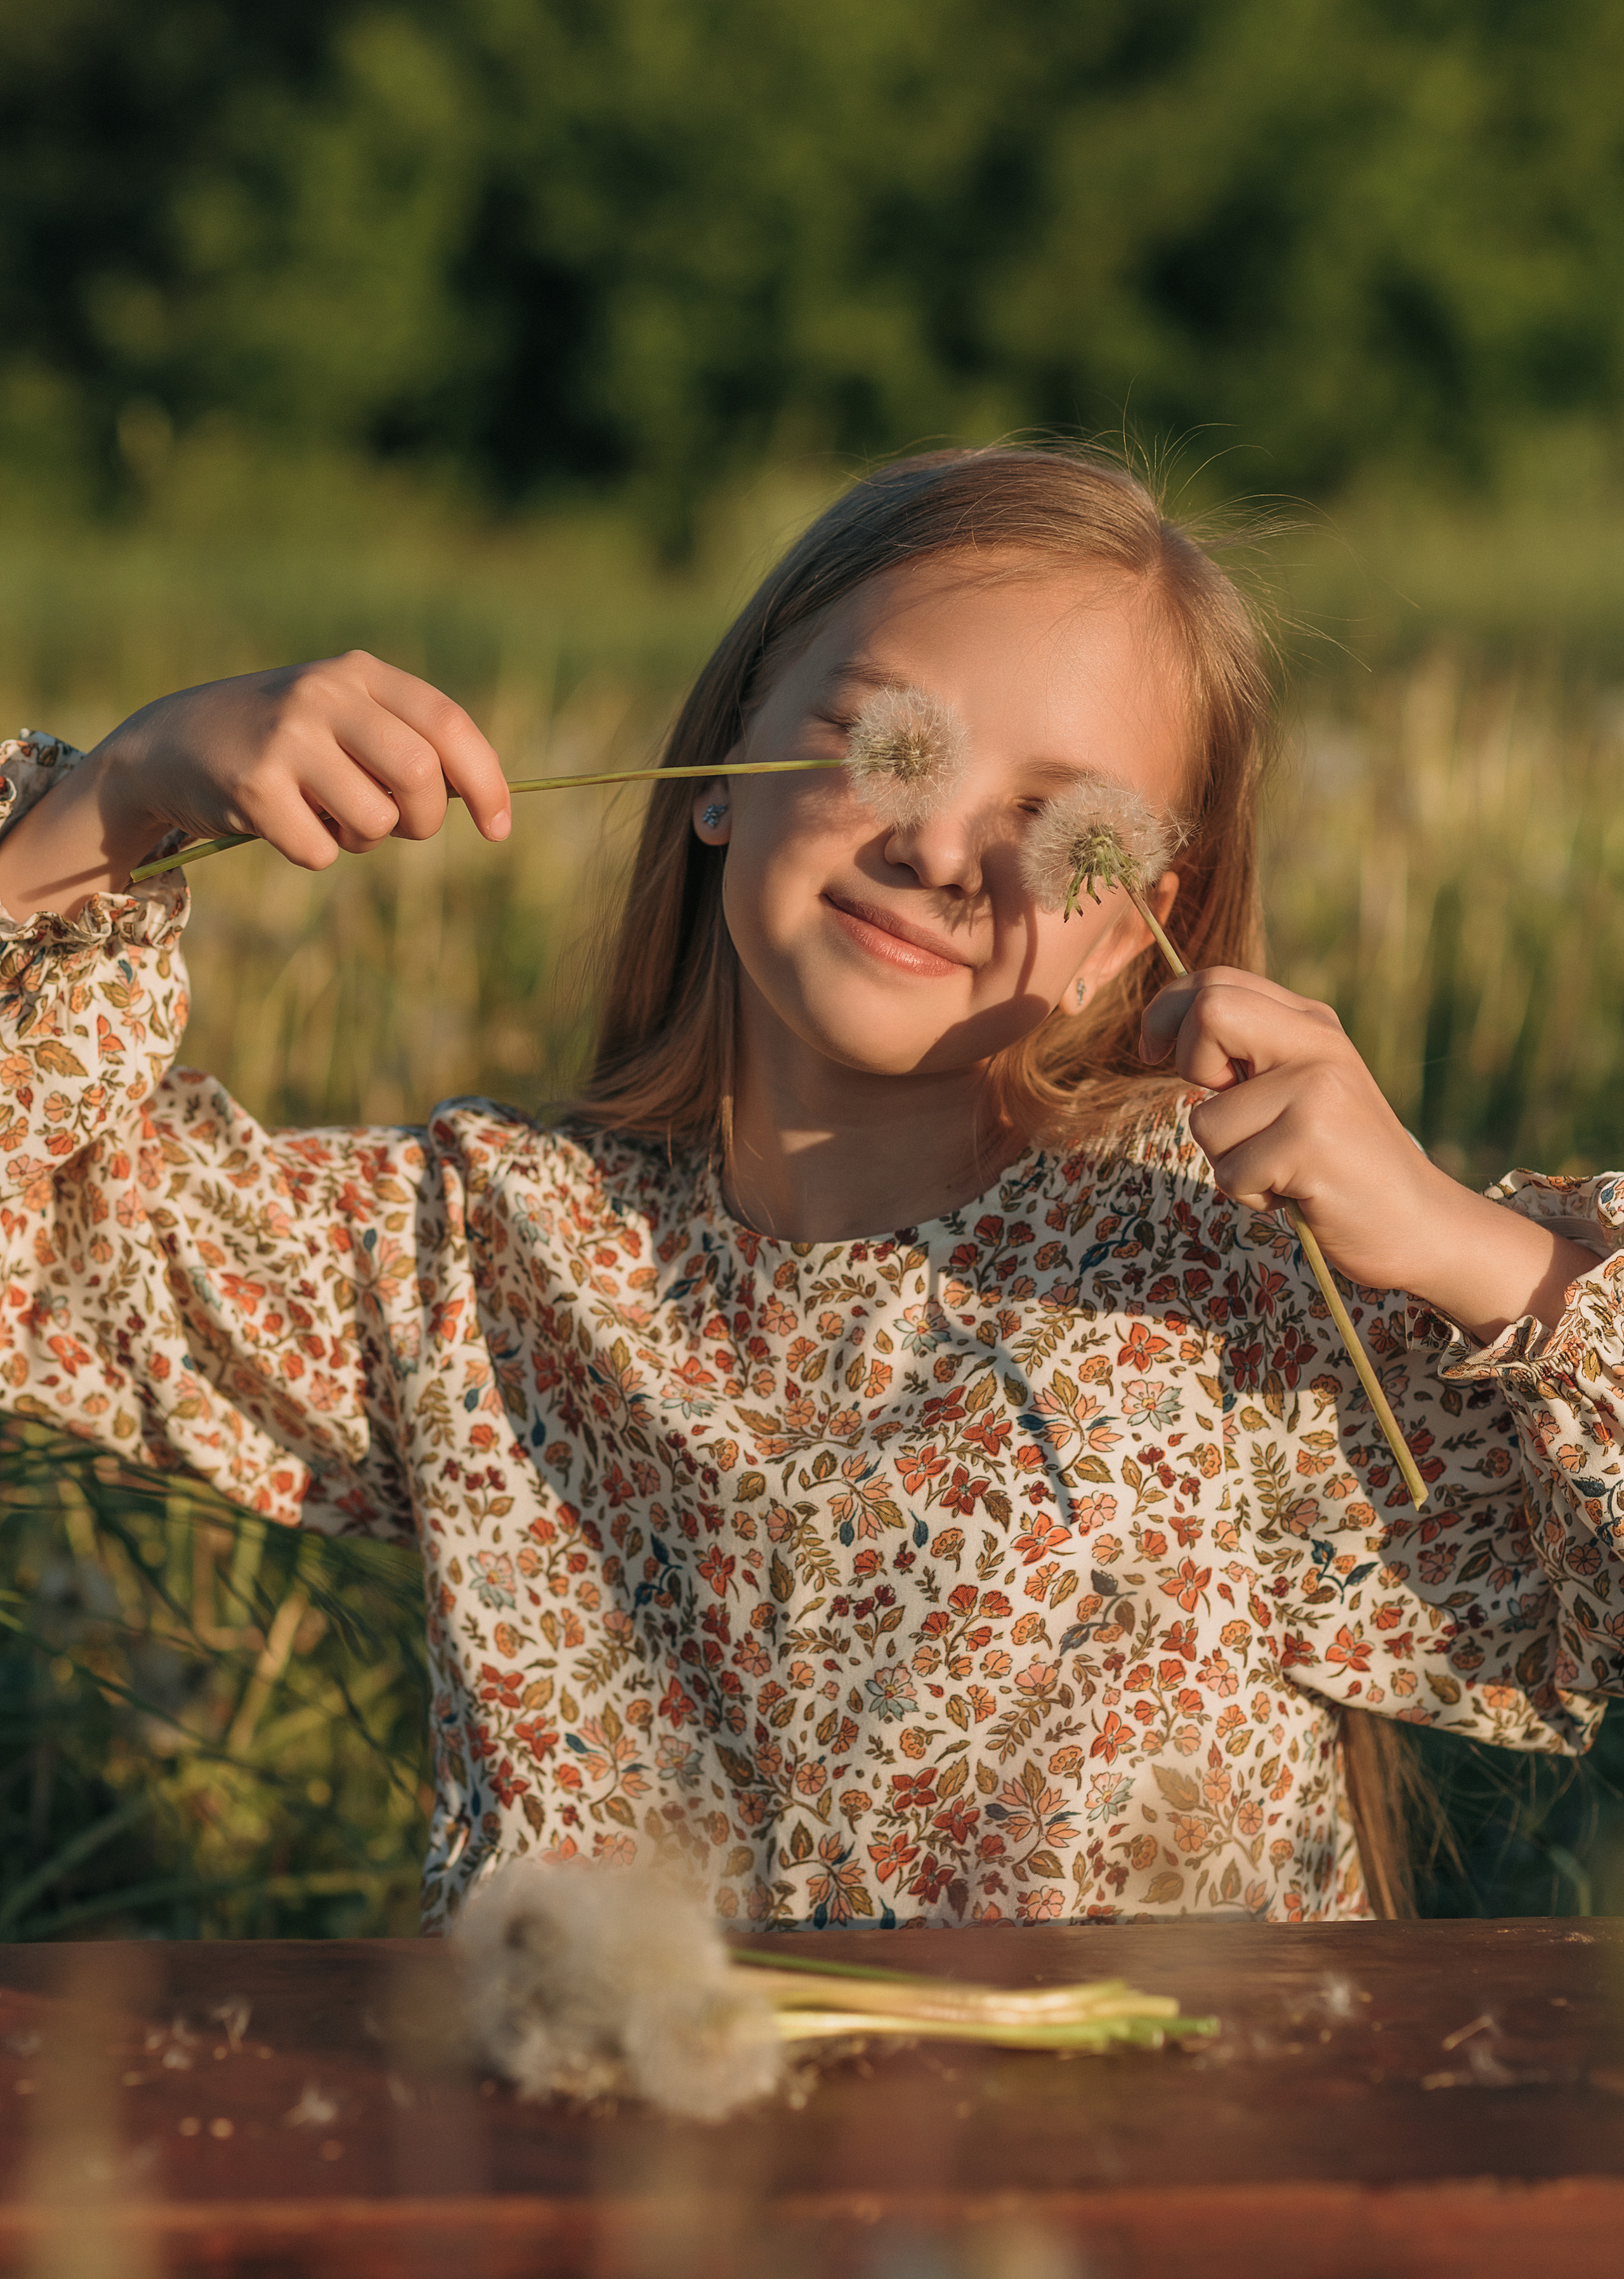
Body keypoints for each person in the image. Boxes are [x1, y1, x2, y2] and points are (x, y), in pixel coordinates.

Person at [0, 445, 1618, 1934]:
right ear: (720, 763)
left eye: (1063, 827)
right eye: (882, 745)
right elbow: (49, 1239)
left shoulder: (1230, 1288)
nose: (939, 853)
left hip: (1136, 2209)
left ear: (1138, 919)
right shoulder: (480, 1257)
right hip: (616, 2200)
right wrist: (117, 800)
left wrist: (1475, 1258)